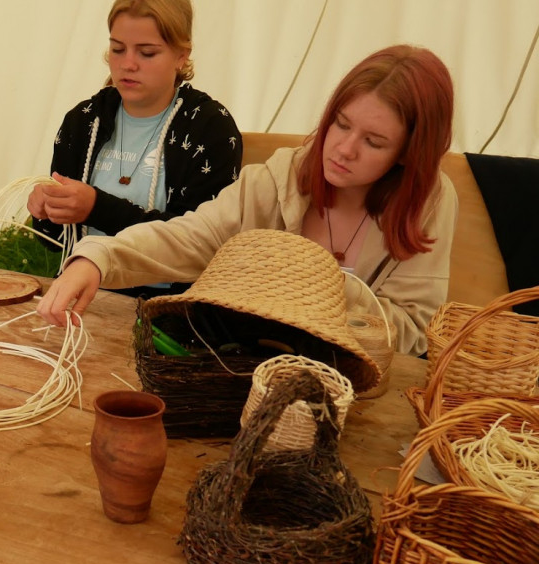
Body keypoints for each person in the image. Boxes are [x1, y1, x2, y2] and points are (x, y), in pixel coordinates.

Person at [37, 44, 457, 356]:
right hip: (248, 372)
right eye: (341, 124)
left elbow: (414, 327)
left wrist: (316, 288)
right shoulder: (282, 177)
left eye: (374, 142)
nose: (345, 150)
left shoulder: (430, 202)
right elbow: (192, 237)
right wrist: (99, 258)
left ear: (408, 153)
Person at [28, 0, 242, 296]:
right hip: (81, 293)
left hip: (168, 307)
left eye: (147, 53)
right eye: (117, 49)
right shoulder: (84, 120)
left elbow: (201, 245)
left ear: (181, 56)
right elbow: (57, 241)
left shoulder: (209, 128)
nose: (127, 64)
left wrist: (96, 207)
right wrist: (46, 212)